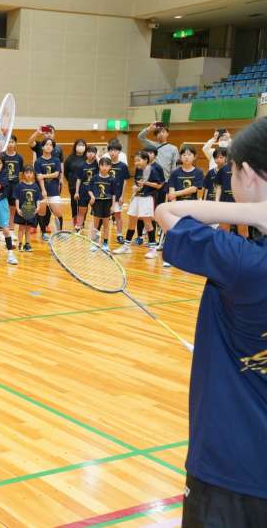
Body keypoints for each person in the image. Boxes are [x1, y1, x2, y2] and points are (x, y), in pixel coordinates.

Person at [154, 117, 267, 528]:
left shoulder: (242, 262)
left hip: (230, 467)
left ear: (248, 174)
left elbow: (168, 211)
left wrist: (253, 211)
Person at [113, 150, 162, 256]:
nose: (136, 163)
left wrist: (146, 183)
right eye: (135, 161)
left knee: (147, 223)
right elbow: (138, 184)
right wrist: (135, 188)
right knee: (131, 222)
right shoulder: (138, 170)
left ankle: (153, 249)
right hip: (137, 197)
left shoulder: (152, 170)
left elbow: (159, 185)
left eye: (138, 160)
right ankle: (126, 247)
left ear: (146, 160)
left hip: (147, 198)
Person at [137, 122, 178, 206]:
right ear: (155, 135)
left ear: (167, 133)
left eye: (163, 132)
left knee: (162, 205)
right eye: (158, 132)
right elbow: (140, 137)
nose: (161, 134)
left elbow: (174, 167)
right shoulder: (151, 145)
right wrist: (149, 129)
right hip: (151, 181)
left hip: (165, 182)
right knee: (149, 204)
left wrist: (172, 182)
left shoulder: (173, 148)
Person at [34, 137, 62, 239]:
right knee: (42, 213)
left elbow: (56, 174)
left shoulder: (56, 160)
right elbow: (39, 177)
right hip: (42, 192)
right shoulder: (38, 161)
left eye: (51, 145)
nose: (49, 146)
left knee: (58, 213)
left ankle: (59, 233)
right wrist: (43, 190)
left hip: (54, 191)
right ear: (42, 147)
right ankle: (43, 233)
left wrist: (44, 176)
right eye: (46, 144)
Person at [13, 165, 44, 252]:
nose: (29, 175)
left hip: (31, 211)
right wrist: (18, 209)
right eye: (27, 173)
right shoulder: (19, 186)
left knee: (28, 229)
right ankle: (20, 244)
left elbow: (38, 199)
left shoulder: (36, 187)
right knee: (21, 228)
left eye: (31, 173)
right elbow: (17, 198)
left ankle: (27, 244)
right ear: (23, 174)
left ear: (33, 174)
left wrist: (38, 207)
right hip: (22, 212)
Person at [89, 157, 117, 252]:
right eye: (102, 165)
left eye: (107, 165)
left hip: (107, 203)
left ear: (110, 166)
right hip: (97, 203)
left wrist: (113, 206)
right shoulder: (94, 178)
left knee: (106, 225)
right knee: (96, 225)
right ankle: (95, 243)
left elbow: (114, 194)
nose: (104, 167)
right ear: (99, 166)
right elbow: (89, 189)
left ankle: (105, 243)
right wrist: (92, 196)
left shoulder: (112, 179)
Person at [0, 135, 24, 238]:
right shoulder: (2, 156)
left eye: (12, 142)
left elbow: (21, 173)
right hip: (4, 185)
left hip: (15, 186)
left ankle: (11, 230)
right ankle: (1, 230)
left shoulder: (19, 157)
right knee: (3, 208)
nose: (10, 144)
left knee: (13, 208)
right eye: (9, 142)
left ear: (15, 144)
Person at [108, 139, 130, 244]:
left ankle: (119, 235)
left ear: (119, 152)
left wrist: (122, 196)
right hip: (106, 195)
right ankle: (100, 235)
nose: (113, 152)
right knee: (102, 216)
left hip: (117, 195)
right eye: (111, 150)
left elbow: (125, 181)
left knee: (118, 216)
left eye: (115, 150)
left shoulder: (123, 166)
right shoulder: (105, 164)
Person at [64, 139, 88, 229]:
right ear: (75, 146)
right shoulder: (70, 158)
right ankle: (75, 220)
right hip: (73, 185)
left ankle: (82, 221)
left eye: (83, 145)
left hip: (85, 185)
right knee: (74, 203)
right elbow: (66, 172)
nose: (81, 146)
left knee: (84, 203)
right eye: (79, 145)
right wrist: (71, 181)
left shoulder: (87, 157)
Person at [74, 145, 98, 233]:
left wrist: (97, 157)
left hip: (94, 192)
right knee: (81, 211)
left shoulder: (97, 164)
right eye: (89, 152)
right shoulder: (81, 165)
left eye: (93, 152)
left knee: (96, 212)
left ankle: (96, 230)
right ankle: (79, 227)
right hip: (83, 191)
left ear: (95, 154)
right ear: (86, 153)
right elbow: (79, 179)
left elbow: (103, 164)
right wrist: (77, 192)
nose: (91, 154)